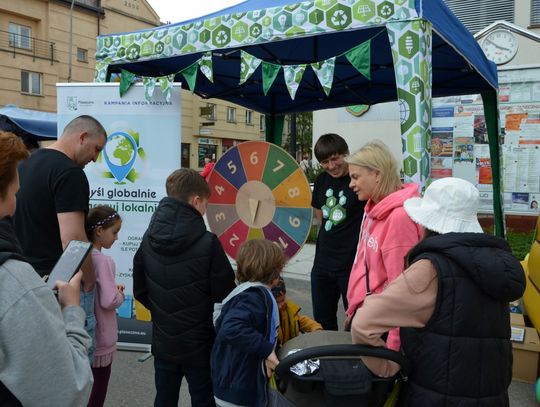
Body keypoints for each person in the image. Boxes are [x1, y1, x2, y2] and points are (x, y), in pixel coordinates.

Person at [351, 177, 526, 405]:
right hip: (492, 395)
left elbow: (364, 323)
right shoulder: (493, 263)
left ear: (427, 223)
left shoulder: (430, 269)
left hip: (435, 396)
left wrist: (389, 368)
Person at [0, 131, 93, 406]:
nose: (17, 204)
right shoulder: (14, 285)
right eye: (16, 193)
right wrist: (73, 312)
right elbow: (69, 390)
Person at [133, 168, 236, 407]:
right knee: (203, 400)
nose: (205, 211)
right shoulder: (208, 243)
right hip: (200, 343)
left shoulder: (148, 237)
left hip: (163, 340)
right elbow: (225, 294)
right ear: (196, 200)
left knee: (164, 398)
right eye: (206, 205)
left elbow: (139, 289)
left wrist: (163, 310)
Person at [13, 115, 107, 360]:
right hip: (57, 285)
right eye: (96, 149)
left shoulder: (24, 163)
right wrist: (89, 277)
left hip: (22, 280)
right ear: (82, 136)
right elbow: (73, 240)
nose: (96, 158)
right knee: (73, 364)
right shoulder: (70, 173)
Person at [345, 140, 423, 352]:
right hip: (369, 316)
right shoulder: (373, 210)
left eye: (355, 177)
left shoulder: (399, 218)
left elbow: (402, 287)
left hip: (383, 327)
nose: (351, 184)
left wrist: (393, 346)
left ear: (377, 174)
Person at [211, 239, 283, 407]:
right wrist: (266, 350)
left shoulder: (246, 292)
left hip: (232, 383)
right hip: (240, 389)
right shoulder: (254, 298)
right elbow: (231, 328)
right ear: (273, 270)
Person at [310, 133, 365, 330]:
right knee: (322, 321)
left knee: (356, 322)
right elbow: (320, 216)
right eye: (325, 161)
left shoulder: (358, 179)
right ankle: (328, 360)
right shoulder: (321, 180)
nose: (331, 166)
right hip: (322, 264)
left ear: (346, 154)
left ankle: (354, 360)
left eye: (335, 158)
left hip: (351, 266)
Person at [86, 205, 125, 407]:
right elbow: (109, 300)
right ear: (99, 231)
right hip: (102, 337)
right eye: (114, 232)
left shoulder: (83, 256)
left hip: (87, 333)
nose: (116, 238)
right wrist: (119, 294)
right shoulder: (103, 261)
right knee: (98, 388)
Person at [271, 276, 322, 347]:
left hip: (290, 349)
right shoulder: (267, 316)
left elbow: (300, 321)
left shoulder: (288, 308)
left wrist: (316, 328)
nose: (280, 305)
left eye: (282, 300)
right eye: (277, 302)